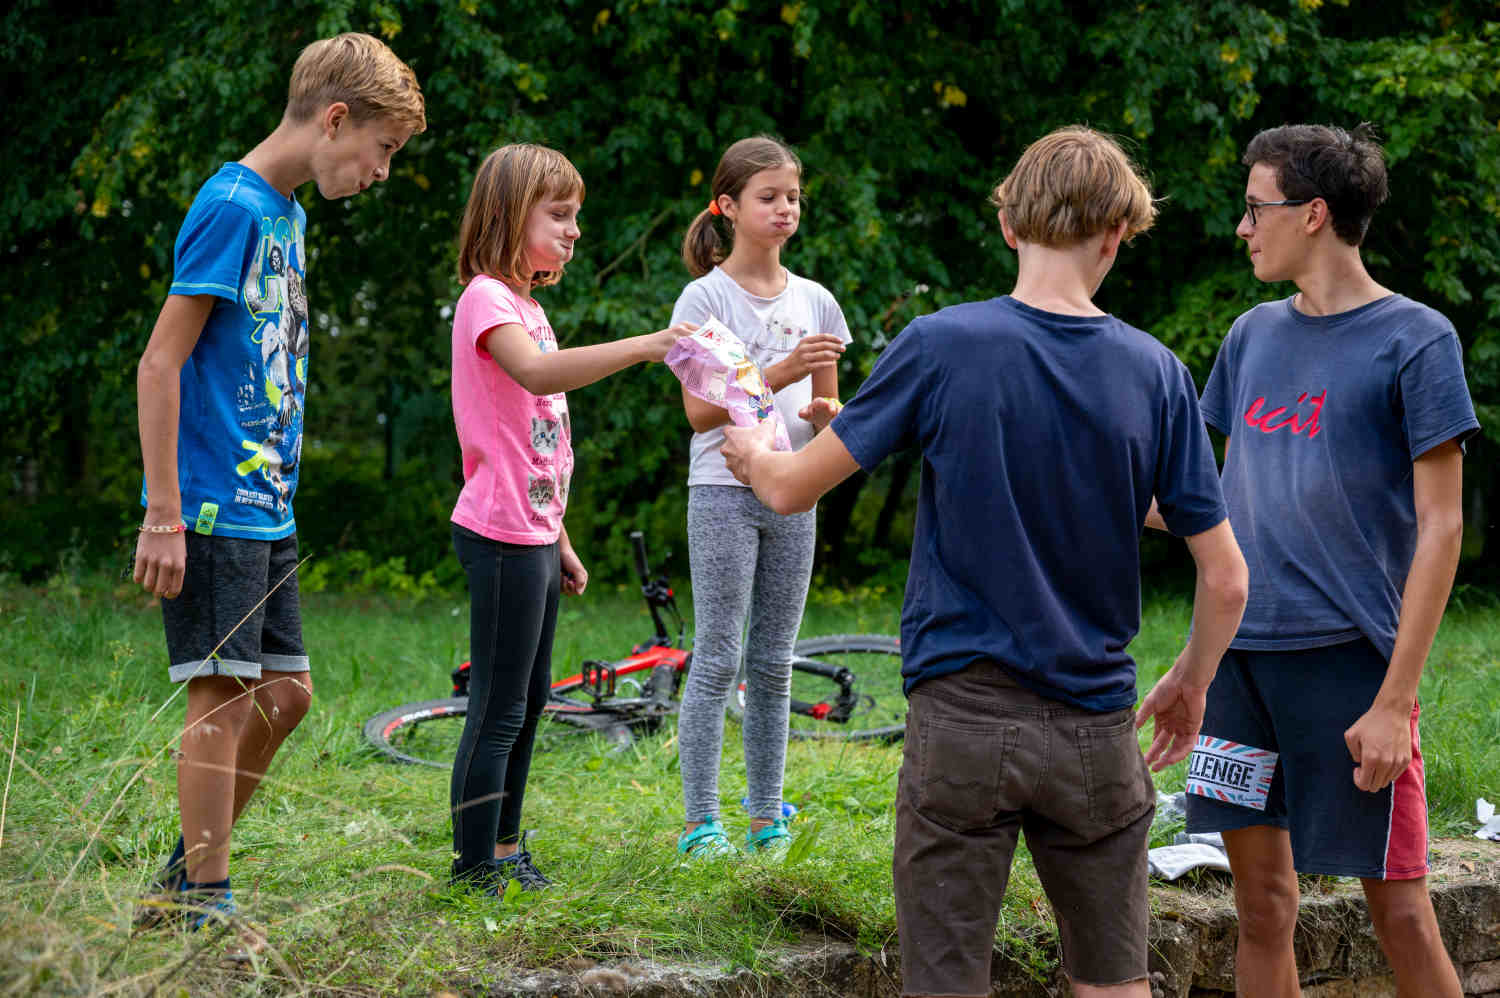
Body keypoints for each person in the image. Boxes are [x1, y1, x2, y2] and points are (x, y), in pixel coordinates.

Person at [720, 126, 1249, 997]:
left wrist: (747, 446)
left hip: (963, 724)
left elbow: (787, 489)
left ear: (1008, 225)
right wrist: (1192, 681)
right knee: (1116, 982)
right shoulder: (1156, 372)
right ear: (1117, 234)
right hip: (1096, 730)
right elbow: (1226, 576)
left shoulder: (940, 345)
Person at [131, 33, 426, 952]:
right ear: (335, 120)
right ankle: (207, 900)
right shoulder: (232, 206)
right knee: (222, 697)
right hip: (212, 504)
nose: (381, 172)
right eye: (382, 149)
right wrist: (164, 513)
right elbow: (160, 363)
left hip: (268, 506)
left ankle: (184, 877)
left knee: (287, 696)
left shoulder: (287, 214)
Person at [1171, 123, 1477, 997]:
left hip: (1349, 665)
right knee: (1262, 908)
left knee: (1401, 912)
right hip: (1239, 664)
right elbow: (1208, 498)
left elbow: (1443, 528)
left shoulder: (1416, 339)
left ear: (1312, 214)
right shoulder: (1250, 336)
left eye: (1255, 208)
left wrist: (1394, 702)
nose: (1243, 227)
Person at [447, 143, 694, 894]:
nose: (573, 230)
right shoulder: (486, 299)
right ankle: (473, 866)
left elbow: (534, 446)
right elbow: (537, 375)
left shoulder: (530, 309)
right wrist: (646, 346)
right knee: (497, 708)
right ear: (507, 215)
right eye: (558, 214)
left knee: (530, 703)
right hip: (497, 533)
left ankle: (506, 848)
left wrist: (560, 538)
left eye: (575, 216)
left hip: (532, 535)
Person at [668, 135, 851, 859]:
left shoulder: (817, 300)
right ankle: (700, 824)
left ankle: (766, 818)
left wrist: (828, 416)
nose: (785, 209)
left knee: (774, 661)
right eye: (768, 197)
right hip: (721, 493)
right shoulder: (705, 297)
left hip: (793, 496)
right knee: (717, 656)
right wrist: (780, 373)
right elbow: (699, 413)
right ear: (728, 206)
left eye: (793, 197)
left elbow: (826, 408)